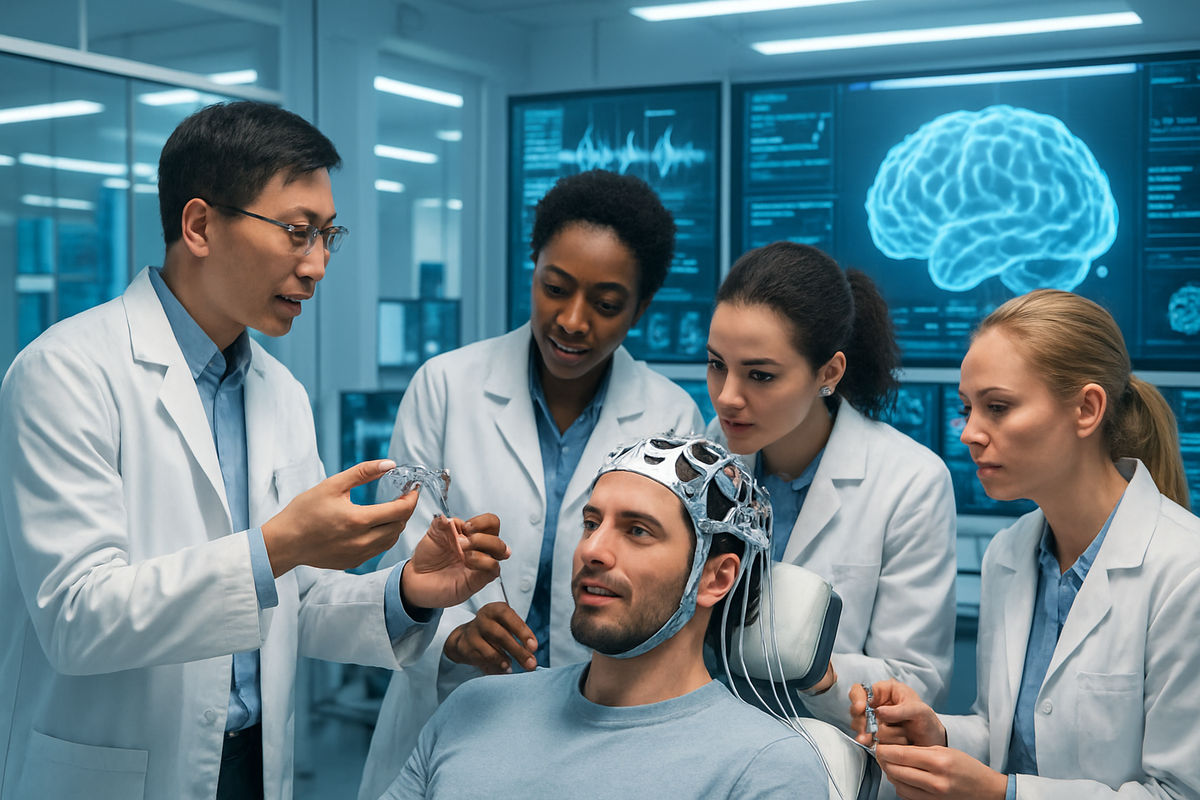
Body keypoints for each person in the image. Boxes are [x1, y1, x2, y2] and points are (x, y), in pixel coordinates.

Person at [0, 101, 508, 800]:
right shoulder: (65, 372)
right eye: (298, 233)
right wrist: (275, 546)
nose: (319, 265)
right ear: (200, 225)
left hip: (249, 768)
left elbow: (285, 602)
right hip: (110, 773)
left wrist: (410, 595)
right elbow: (79, 618)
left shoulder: (279, 391)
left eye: (330, 236)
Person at [358, 169, 704, 799]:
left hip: (604, 720)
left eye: (606, 304)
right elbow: (403, 553)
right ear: (534, 268)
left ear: (641, 308)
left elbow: (668, 583)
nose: (572, 321)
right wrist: (456, 634)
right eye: (554, 288)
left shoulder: (672, 416)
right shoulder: (445, 387)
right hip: (448, 707)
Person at [850, 289, 1200, 800]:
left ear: (1087, 408)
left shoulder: (1184, 570)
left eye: (998, 407)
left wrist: (1003, 794)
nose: (969, 433)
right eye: (968, 408)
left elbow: (1178, 792)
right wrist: (941, 735)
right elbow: (1008, 736)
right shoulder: (1009, 554)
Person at [381, 435, 828, 799]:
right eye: (592, 523)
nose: (591, 550)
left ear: (715, 577)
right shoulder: (474, 708)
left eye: (637, 531)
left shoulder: (767, 766)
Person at [704, 241, 957, 732]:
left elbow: (914, 681)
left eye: (760, 374)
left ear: (829, 373)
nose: (727, 398)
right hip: (705, 743)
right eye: (717, 365)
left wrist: (812, 666)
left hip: (824, 757)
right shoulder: (706, 457)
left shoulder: (910, 481)